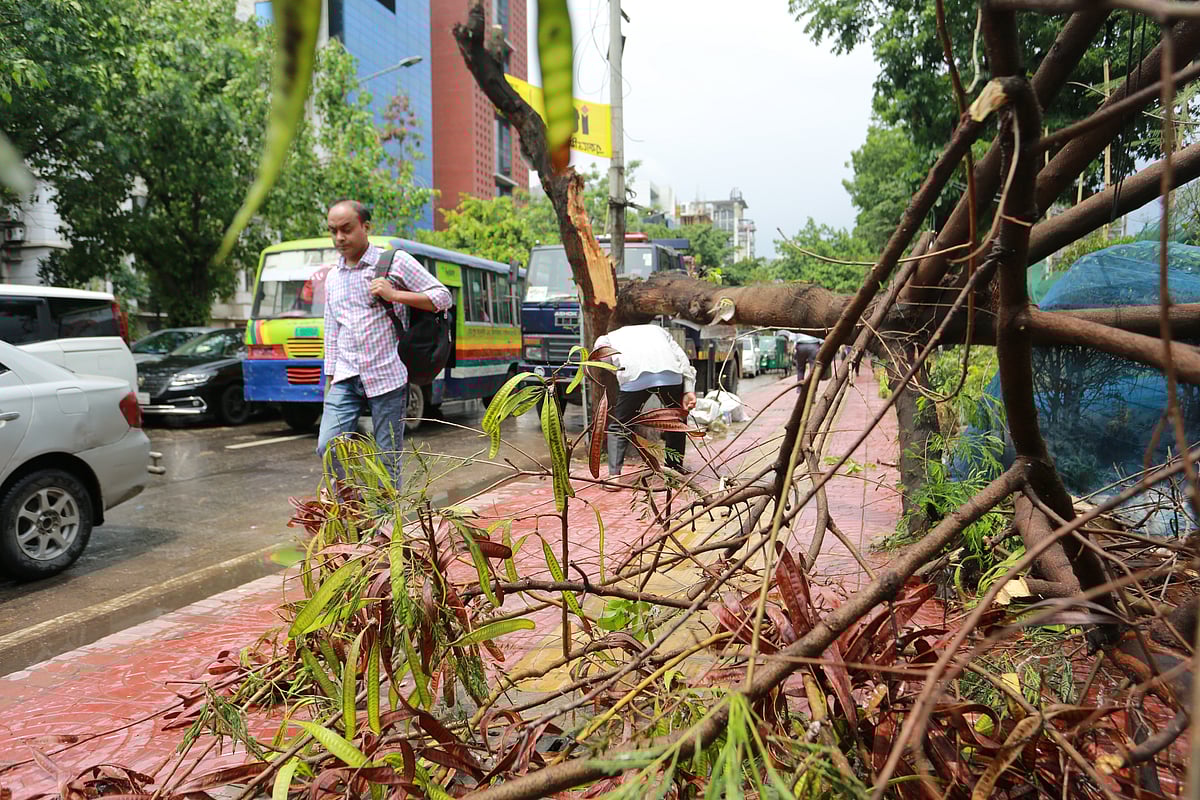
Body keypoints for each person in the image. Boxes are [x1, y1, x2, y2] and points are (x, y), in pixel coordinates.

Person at [317, 200, 453, 488]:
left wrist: (395, 295)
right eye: (333, 231)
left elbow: (442, 297)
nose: (339, 238)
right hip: (345, 375)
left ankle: (386, 527)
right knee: (329, 446)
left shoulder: (394, 262)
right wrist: (330, 379)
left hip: (388, 375)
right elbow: (332, 329)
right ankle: (352, 510)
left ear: (365, 227)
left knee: (387, 458)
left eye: (346, 229)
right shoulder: (333, 277)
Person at [594, 324, 697, 484]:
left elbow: (604, 359)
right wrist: (689, 389)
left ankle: (614, 476)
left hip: (635, 376)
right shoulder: (660, 330)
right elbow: (682, 357)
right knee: (675, 420)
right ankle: (674, 468)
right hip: (671, 374)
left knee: (620, 425)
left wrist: (619, 373)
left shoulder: (607, 339)